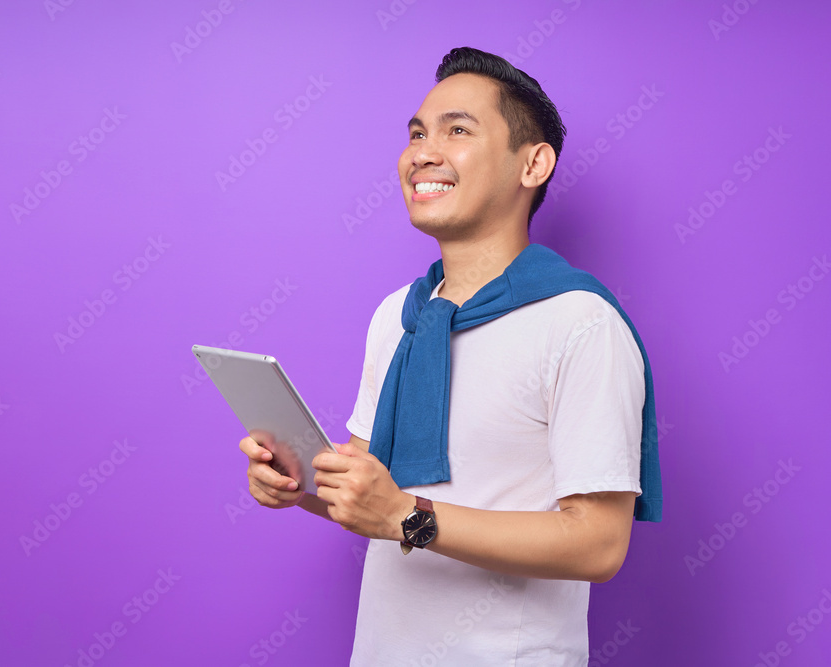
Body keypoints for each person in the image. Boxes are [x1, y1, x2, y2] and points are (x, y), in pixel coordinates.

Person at [239, 46, 662, 665]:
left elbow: (598, 544)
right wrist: (298, 480)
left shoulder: (580, 323)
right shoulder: (400, 317)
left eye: (457, 130)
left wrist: (407, 517)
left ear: (533, 163)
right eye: (416, 133)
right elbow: (367, 487)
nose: (421, 153)